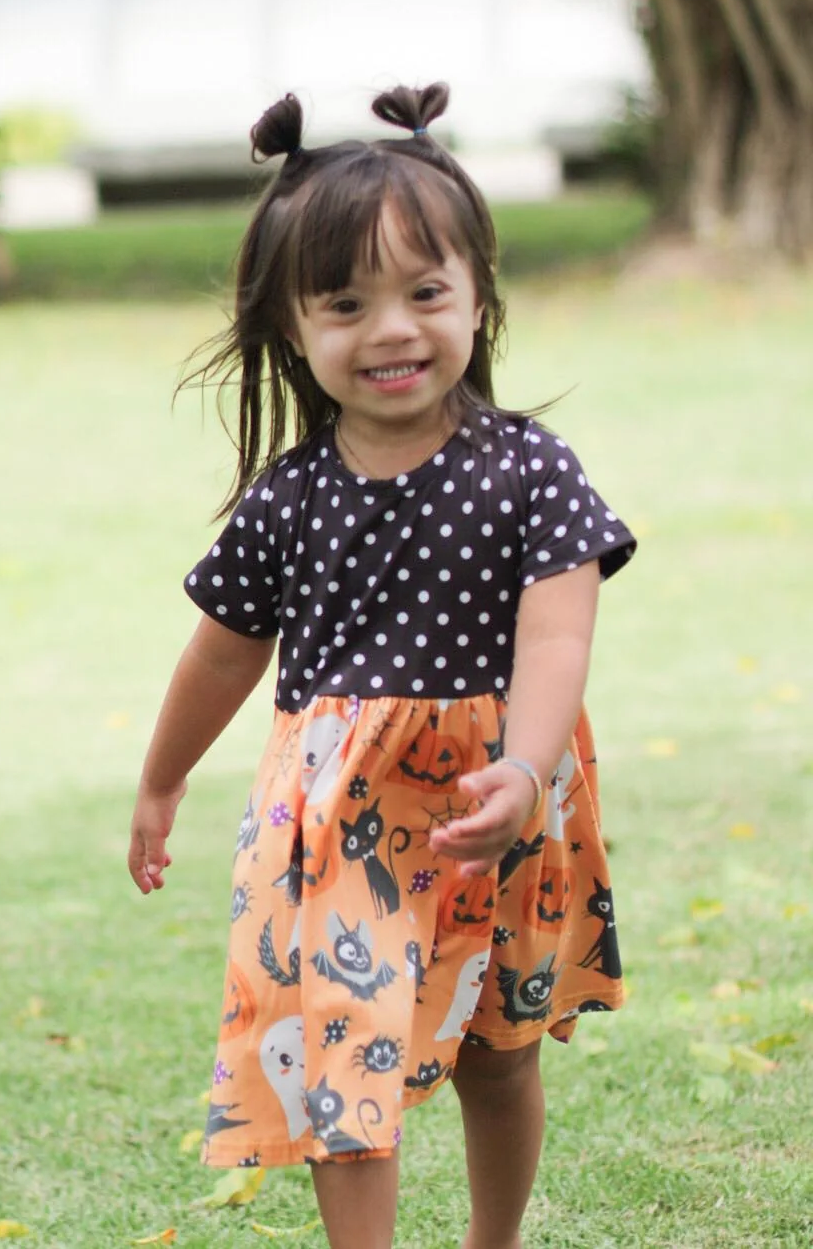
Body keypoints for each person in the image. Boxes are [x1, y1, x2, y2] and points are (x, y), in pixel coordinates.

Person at [127, 85, 636, 1249]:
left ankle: (490, 1240)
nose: (391, 329)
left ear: (474, 298)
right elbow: (220, 652)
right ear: (291, 328)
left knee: (493, 1059)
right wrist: (161, 780)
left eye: (423, 292)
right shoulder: (288, 501)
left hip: (494, 805)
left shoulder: (529, 471)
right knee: (339, 1069)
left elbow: (557, 634)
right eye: (345, 303)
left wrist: (521, 765)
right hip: (337, 820)